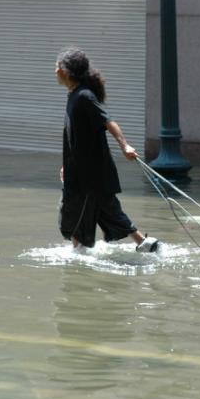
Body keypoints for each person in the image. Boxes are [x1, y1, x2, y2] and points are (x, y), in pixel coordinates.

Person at [55, 46, 159, 252]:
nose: (54, 71)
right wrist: (66, 165)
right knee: (107, 210)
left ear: (65, 71)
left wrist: (125, 146)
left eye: (56, 67)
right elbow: (75, 137)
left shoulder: (84, 96)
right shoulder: (74, 95)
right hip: (87, 173)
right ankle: (145, 245)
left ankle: (79, 261)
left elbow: (108, 122)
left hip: (88, 177)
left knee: (72, 215)